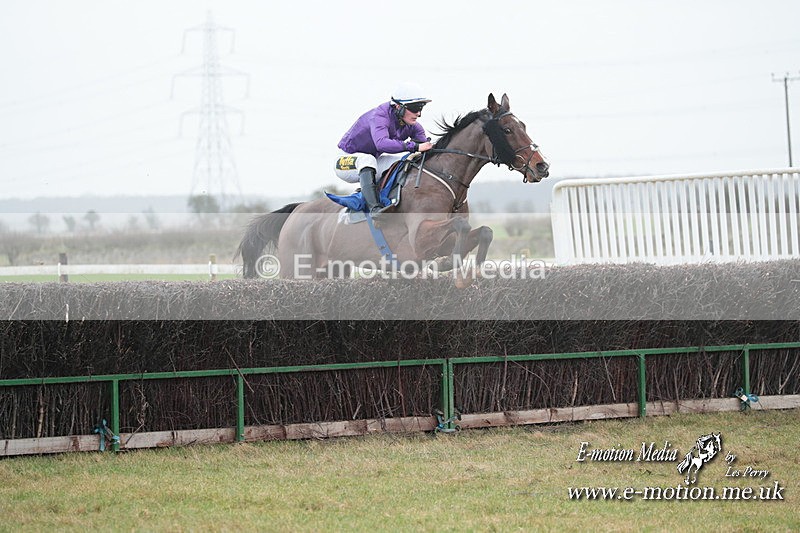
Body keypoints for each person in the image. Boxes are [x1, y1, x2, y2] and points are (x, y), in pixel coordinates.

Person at [335, 82, 434, 216]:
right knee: (367, 160)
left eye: (421, 108)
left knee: (402, 162)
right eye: (415, 108)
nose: (419, 114)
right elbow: (381, 144)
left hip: (373, 161)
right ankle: (374, 208)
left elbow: (423, 148)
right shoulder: (379, 116)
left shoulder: (413, 125)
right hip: (345, 161)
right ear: (399, 107)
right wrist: (415, 146)